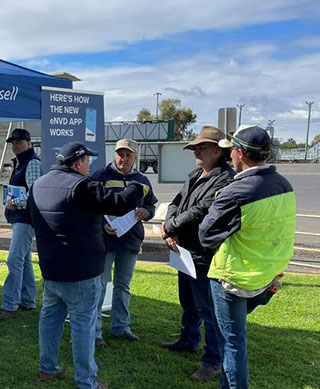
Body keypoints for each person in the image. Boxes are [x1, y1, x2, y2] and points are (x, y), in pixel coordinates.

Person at [29, 141, 143, 389]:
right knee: (83, 325)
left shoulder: (39, 184)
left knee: (50, 318)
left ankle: (47, 368)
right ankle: (86, 382)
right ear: (79, 162)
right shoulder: (82, 185)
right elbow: (119, 204)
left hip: (51, 267)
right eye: (88, 161)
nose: (89, 166)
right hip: (81, 270)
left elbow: (32, 217)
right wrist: (137, 187)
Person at [199, 125, 295, 389]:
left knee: (232, 344)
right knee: (235, 336)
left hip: (233, 279)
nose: (229, 156)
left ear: (240, 153)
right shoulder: (283, 184)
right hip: (267, 276)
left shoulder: (236, 191)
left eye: (231, 151)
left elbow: (205, 235)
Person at [160, 125, 235, 382]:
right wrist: (171, 228)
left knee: (208, 309)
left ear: (218, 150)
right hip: (185, 250)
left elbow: (202, 209)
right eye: (195, 148)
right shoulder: (195, 174)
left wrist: (170, 226)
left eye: (201, 147)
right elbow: (176, 203)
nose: (196, 151)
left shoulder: (225, 178)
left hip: (205, 254)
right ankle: (188, 339)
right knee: (188, 301)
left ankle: (212, 361)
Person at [92, 139, 157, 347]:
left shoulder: (143, 180)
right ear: (114, 155)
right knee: (100, 286)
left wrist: (147, 212)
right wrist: (102, 224)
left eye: (128, 155)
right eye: (120, 153)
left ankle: (121, 327)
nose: (123, 158)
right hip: (105, 241)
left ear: (135, 157)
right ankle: (95, 332)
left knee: (123, 286)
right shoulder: (101, 176)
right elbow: (91, 206)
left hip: (130, 241)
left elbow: (151, 206)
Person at [0, 128, 42, 321]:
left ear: (29, 144)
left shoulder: (32, 163)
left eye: (19, 142)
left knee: (14, 260)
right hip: (21, 218)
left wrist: (15, 203)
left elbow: (35, 194)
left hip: (25, 218)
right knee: (24, 259)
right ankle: (28, 300)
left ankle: (9, 305)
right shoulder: (22, 162)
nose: (15, 146)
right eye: (13, 143)